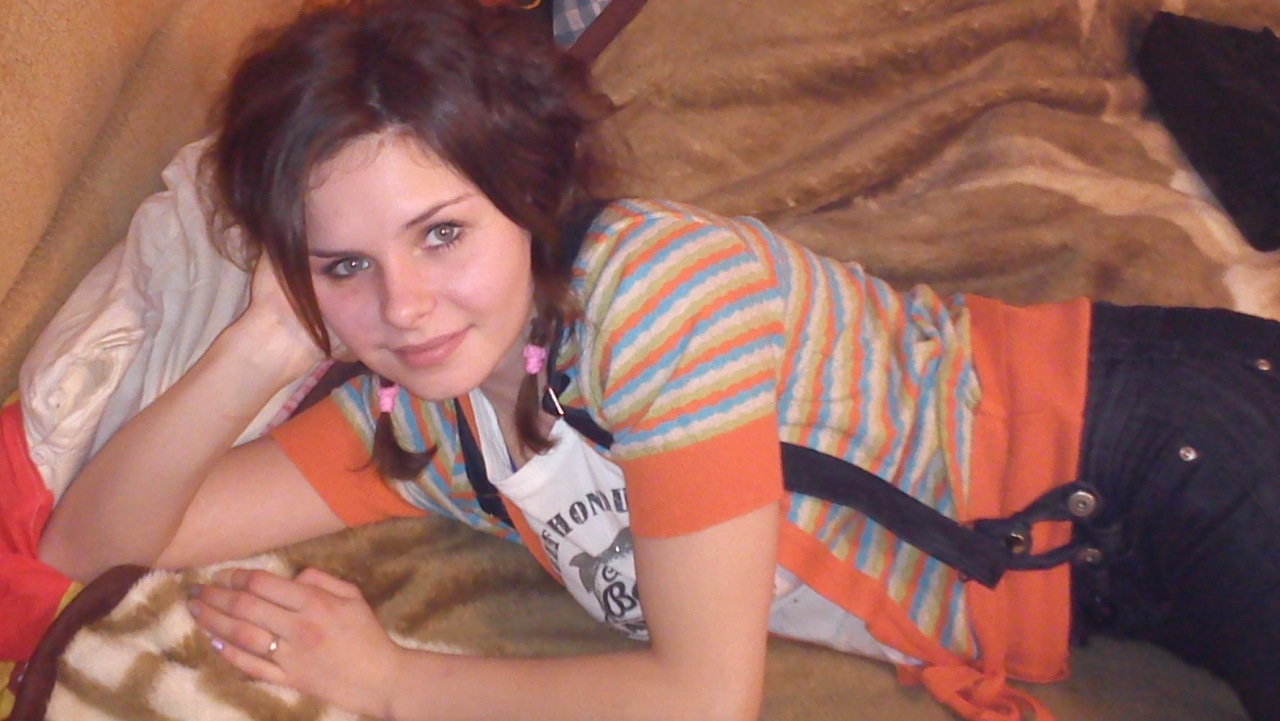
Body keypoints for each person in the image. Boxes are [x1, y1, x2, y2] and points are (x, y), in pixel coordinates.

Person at [32, 1, 1280, 720]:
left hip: (1173, 455)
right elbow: (94, 541)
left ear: (523, 192)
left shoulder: (650, 298)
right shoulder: (424, 414)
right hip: (1088, 567)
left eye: (442, 233)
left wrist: (395, 679)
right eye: (345, 261)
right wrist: (266, 332)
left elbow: (700, 697)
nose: (403, 306)